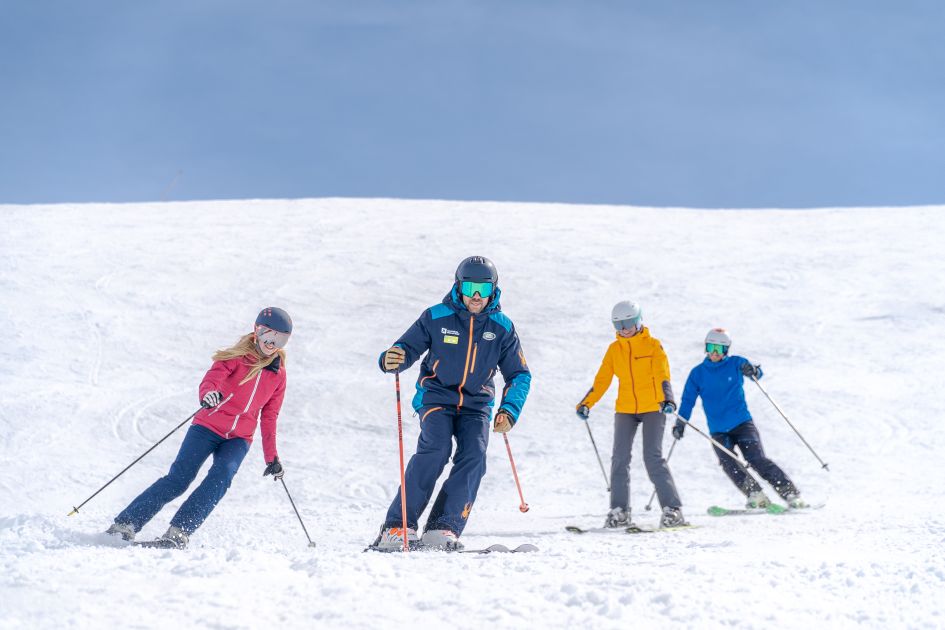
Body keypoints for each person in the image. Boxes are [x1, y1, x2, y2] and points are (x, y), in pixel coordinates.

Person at [373, 256, 531, 551]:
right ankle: (397, 526)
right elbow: (406, 348)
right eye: (470, 287)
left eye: (483, 289)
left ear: (493, 291)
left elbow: (519, 374)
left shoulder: (502, 327)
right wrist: (392, 358)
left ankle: (443, 527)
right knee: (436, 448)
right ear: (458, 286)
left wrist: (509, 409)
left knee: (475, 455)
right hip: (436, 398)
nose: (475, 296)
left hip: (477, 405)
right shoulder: (436, 316)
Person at [105, 307, 293, 548]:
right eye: (267, 334)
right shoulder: (234, 358)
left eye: (280, 339)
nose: (272, 342)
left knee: (221, 477)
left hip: (239, 438)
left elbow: (269, 417)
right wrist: (209, 394)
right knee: (179, 479)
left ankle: (179, 532)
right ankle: (125, 524)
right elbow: (211, 381)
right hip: (207, 427)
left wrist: (272, 458)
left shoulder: (278, 375)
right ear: (256, 331)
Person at [576, 300, 686, 529]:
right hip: (625, 409)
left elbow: (663, 374)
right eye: (618, 324)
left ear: (638, 321)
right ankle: (619, 511)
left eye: (628, 322)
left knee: (652, 457)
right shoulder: (614, 350)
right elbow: (602, 380)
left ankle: (672, 510)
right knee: (619, 459)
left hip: (654, 408)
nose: (624, 328)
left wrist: (668, 400)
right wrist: (587, 403)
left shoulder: (653, 345)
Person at [672, 328, 805, 509]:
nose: (714, 353)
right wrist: (681, 422)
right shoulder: (698, 373)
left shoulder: (735, 363)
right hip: (718, 430)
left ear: (726, 350)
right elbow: (687, 400)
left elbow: (756, 374)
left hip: (742, 423)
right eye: (711, 347)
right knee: (728, 463)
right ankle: (755, 494)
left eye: (719, 349)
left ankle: (790, 493)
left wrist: (752, 370)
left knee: (756, 459)